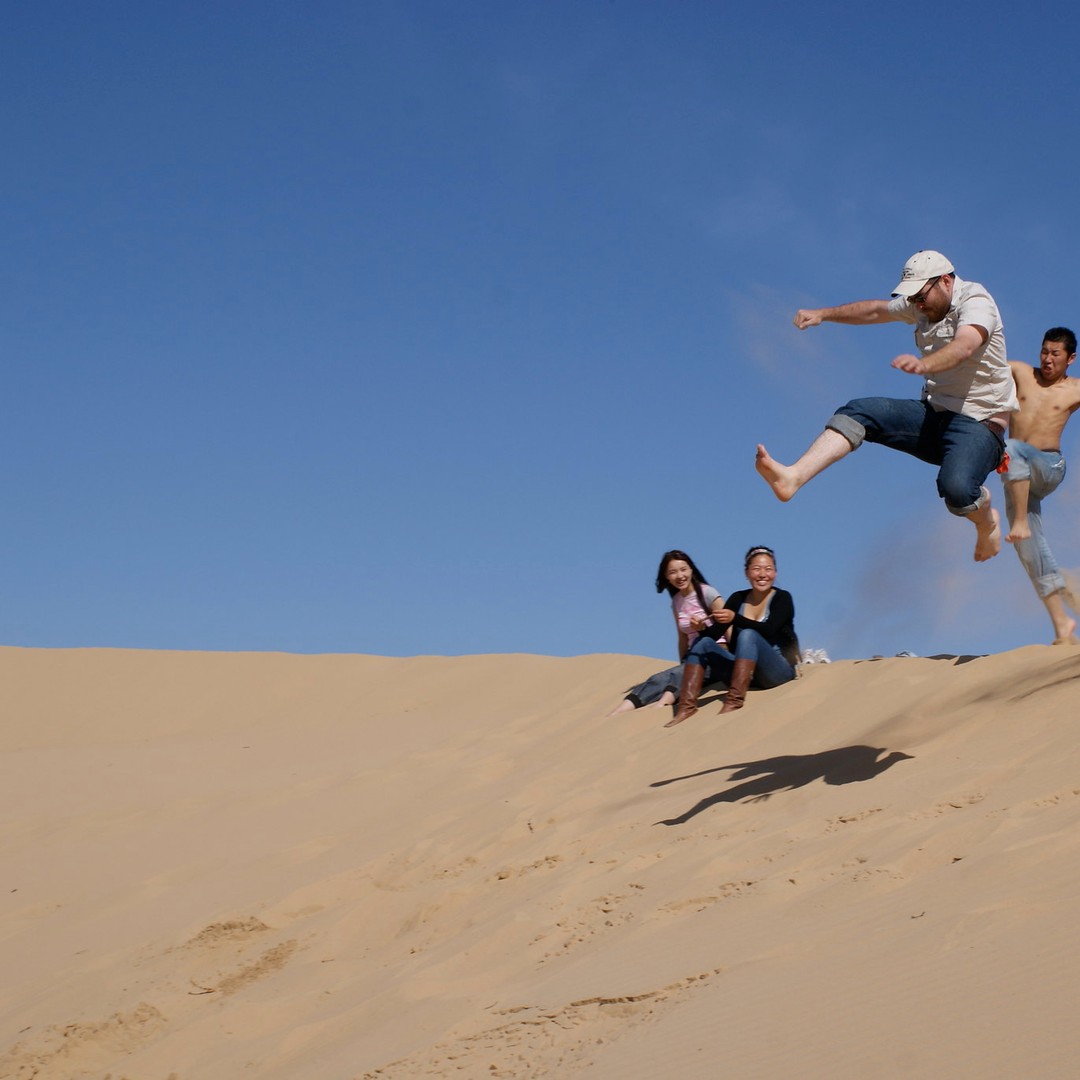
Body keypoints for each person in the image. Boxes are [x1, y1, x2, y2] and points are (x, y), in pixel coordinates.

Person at [756, 250, 1017, 563]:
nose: (917, 305)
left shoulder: (976, 302)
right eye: (913, 299)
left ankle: (986, 519)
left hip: (980, 426)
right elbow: (874, 311)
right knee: (859, 411)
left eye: (922, 297)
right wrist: (823, 314)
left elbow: (965, 346)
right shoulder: (920, 304)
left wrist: (926, 364)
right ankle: (793, 477)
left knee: (957, 489)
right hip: (934, 417)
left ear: (946, 281)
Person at [1001, 327, 1080, 644]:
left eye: (1055, 354)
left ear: (1070, 358)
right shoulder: (1021, 371)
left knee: (1012, 448)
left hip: (1048, 466)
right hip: (1018, 479)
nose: (1047, 360)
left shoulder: (1074, 389)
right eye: (1044, 352)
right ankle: (1062, 624)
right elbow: (983, 363)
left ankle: (1020, 520)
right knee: (1029, 549)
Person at [666, 546, 799, 727]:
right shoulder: (737, 599)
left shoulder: (783, 598)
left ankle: (734, 700)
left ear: (775, 572)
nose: (762, 574)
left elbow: (769, 630)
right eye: (756, 569)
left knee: (748, 635)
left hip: (777, 672)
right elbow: (714, 635)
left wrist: (736, 618)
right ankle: (686, 707)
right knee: (703, 641)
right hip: (746, 674)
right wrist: (702, 628)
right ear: (747, 573)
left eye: (768, 569)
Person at [606, 550, 726, 717]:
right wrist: (682, 661)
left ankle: (661, 707)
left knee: (681, 674)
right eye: (673, 572)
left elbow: (729, 624)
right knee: (660, 677)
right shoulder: (676, 602)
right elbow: (682, 638)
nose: (680, 575)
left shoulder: (708, 593)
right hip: (693, 657)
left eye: (683, 569)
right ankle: (619, 711)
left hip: (717, 654)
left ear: (691, 569)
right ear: (667, 576)